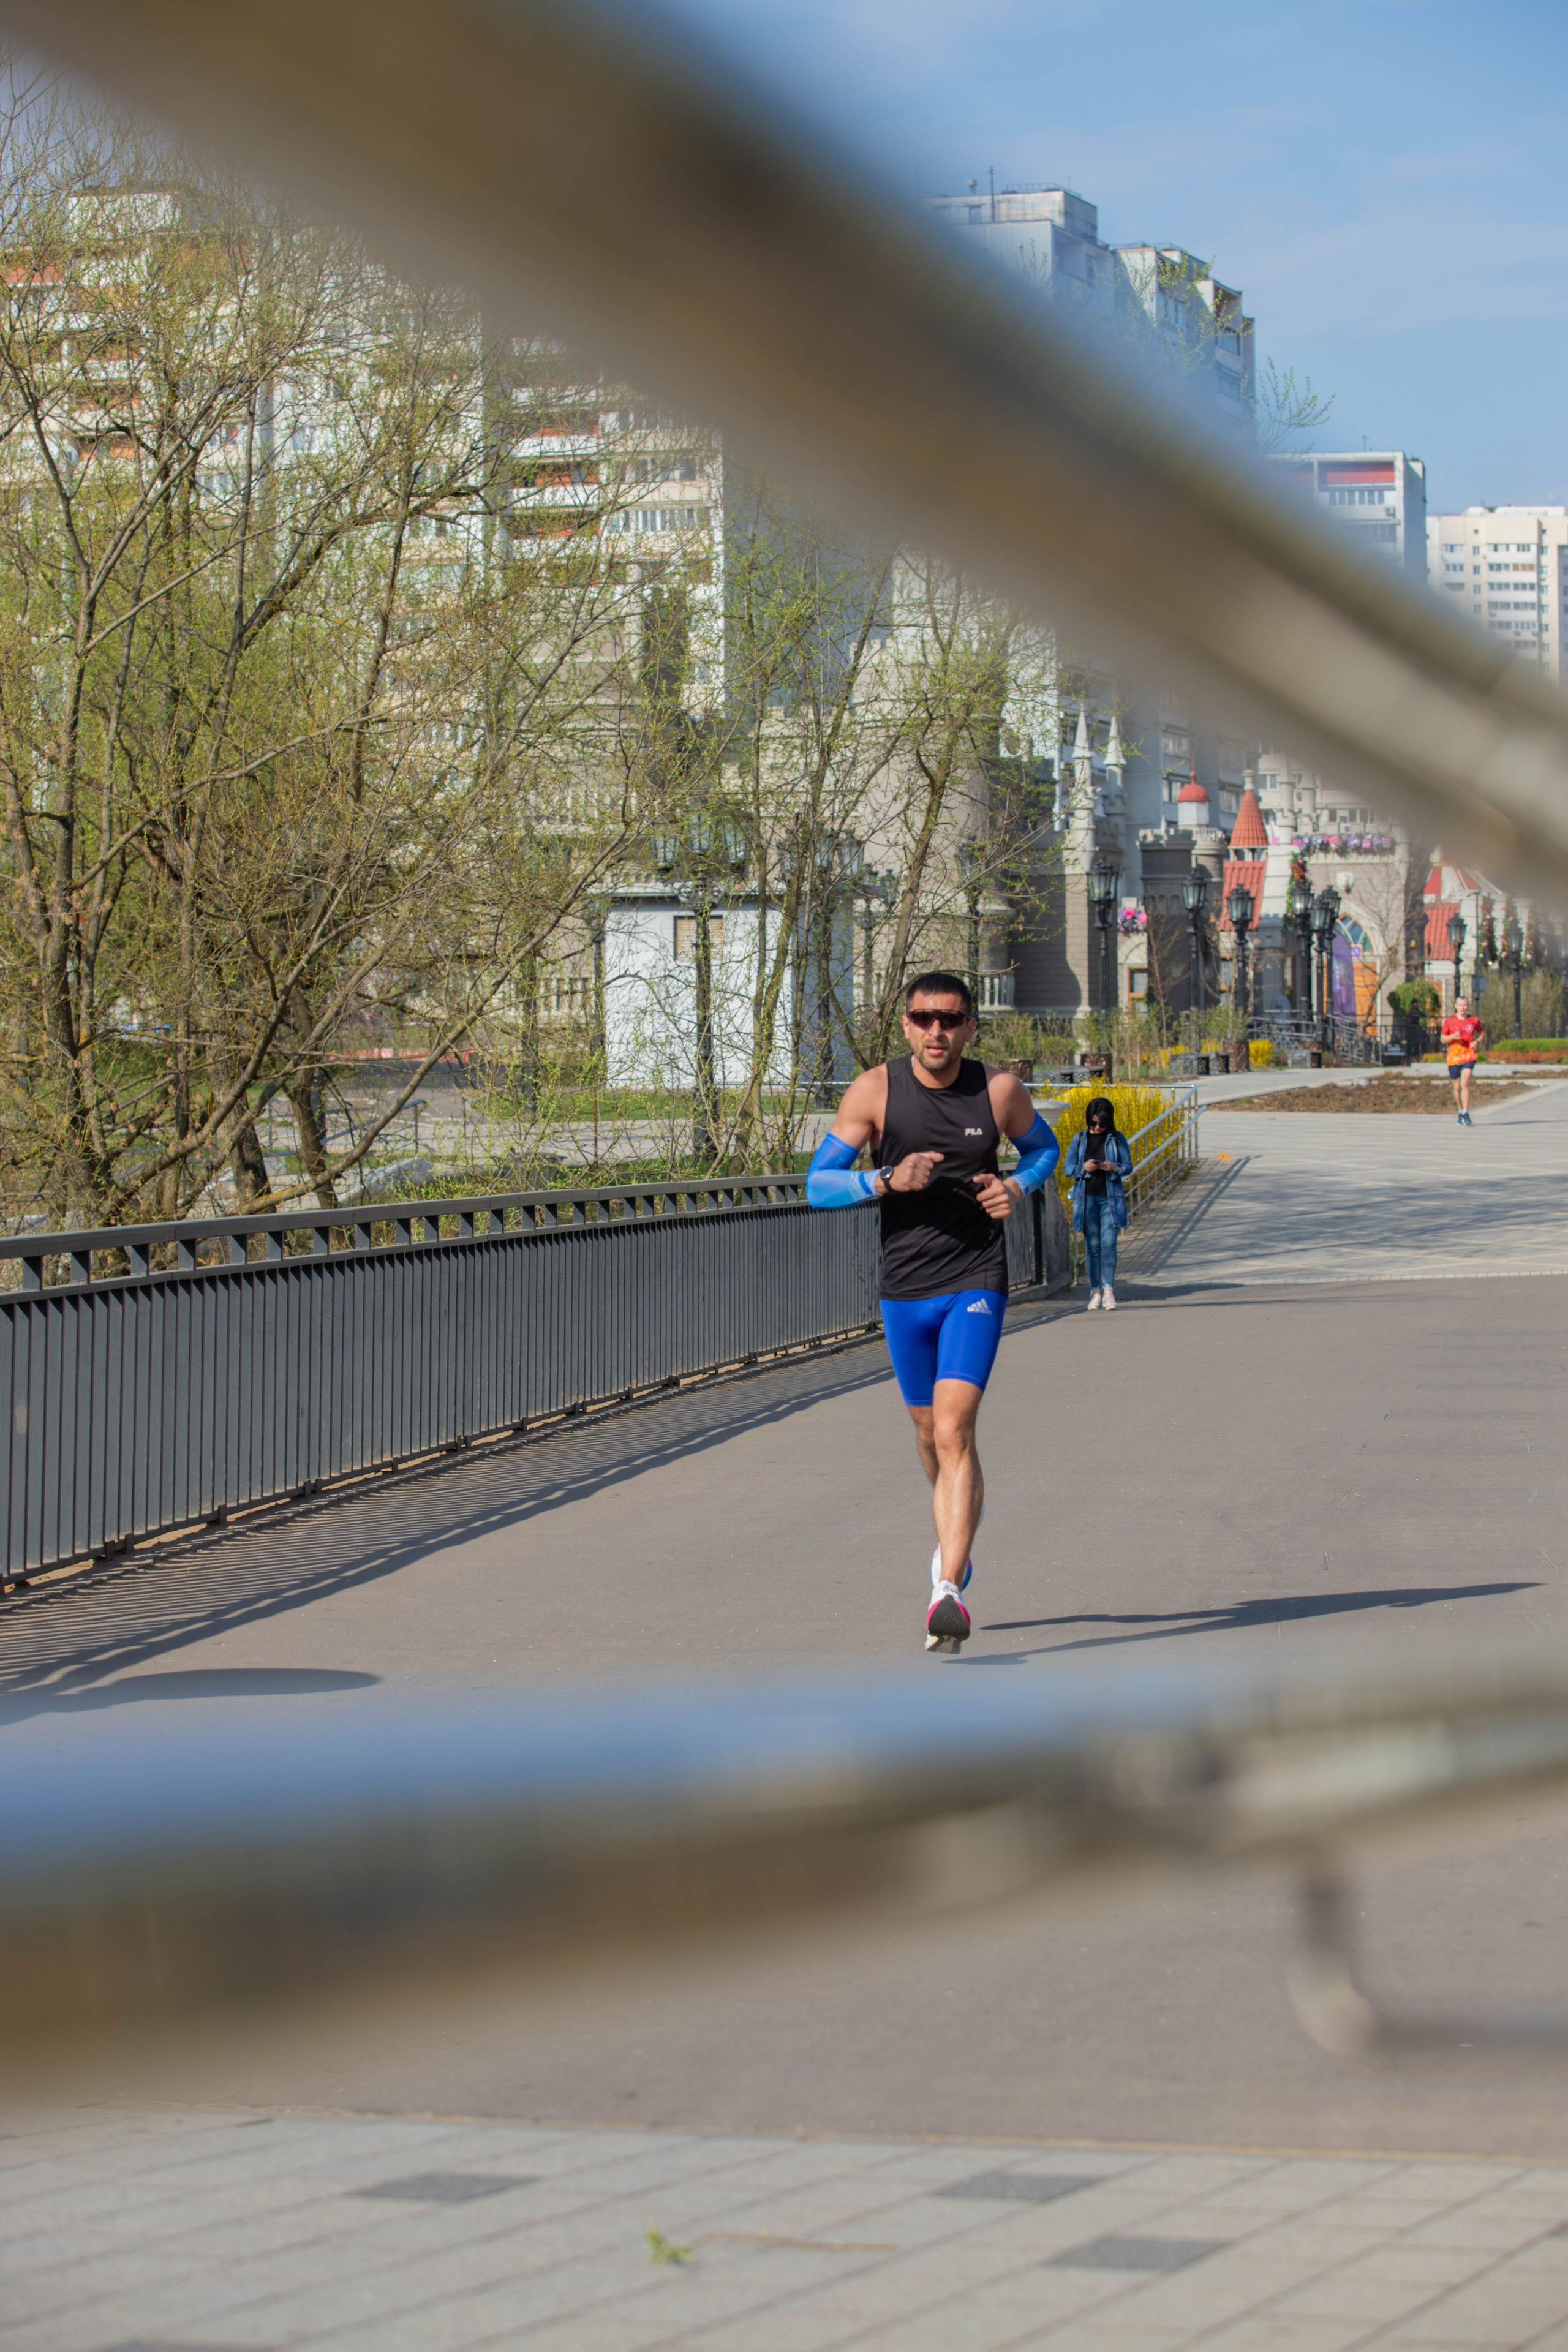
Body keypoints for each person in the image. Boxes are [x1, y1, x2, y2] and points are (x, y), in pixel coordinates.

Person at [805, 971, 1058, 1652]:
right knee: (927, 1434)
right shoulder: (875, 1091)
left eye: (949, 1019)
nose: (936, 1031)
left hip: (976, 1277)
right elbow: (816, 1186)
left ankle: (947, 1587)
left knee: (953, 1429)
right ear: (907, 1024)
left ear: (970, 1025)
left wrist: (1017, 1187)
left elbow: (1044, 1151)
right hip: (904, 1287)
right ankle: (957, 1533)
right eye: (923, 1018)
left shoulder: (997, 1091)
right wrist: (883, 1178)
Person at [1064, 1096, 1132, 1309]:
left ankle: (1109, 1290)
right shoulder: (1079, 1139)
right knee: (1093, 1247)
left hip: (1110, 1199)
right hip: (1086, 1199)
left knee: (1109, 1244)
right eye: (1093, 1123)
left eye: (1102, 1124)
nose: (1097, 1127)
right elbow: (1068, 1168)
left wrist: (1114, 1167)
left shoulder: (1117, 1138)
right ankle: (1095, 1292)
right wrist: (1083, 1168)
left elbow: (1128, 1166)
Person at [1441, 995, 1484, 1124]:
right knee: (1457, 1086)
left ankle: (1466, 1112)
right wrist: (1452, 1037)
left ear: (1468, 1006)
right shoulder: (1450, 1020)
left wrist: (1476, 1042)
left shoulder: (1474, 1020)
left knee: (1465, 1082)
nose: (1463, 1008)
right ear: (1456, 1006)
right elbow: (1443, 1039)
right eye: (1460, 1005)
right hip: (1454, 1056)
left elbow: (1482, 1033)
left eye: (1465, 1005)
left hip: (1469, 1054)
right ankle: (1460, 1110)